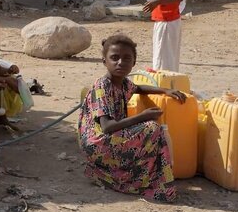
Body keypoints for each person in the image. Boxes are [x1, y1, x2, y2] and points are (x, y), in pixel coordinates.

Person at [78, 34, 185, 202]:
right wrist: (142, 117)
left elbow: (138, 88)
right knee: (152, 128)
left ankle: (150, 180)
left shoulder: (122, 83)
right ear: (104, 61)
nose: (120, 62)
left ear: (134, 63)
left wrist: (165, 90)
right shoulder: (103, 85)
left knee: (153, 131)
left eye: (126, 58)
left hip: (109, 139)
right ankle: (152, 184)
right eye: (114, 58)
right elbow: (107, 127)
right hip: (97, 143)